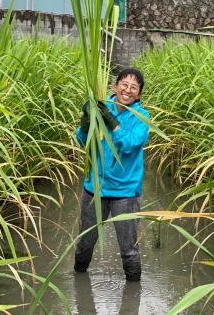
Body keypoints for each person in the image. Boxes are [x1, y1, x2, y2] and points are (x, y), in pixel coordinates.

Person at [74, 68, 150, 282]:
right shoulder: (101, 108)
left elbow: (128, 145)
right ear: (115, 87)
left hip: (125, 193)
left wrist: (111, 121)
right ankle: (79, 281)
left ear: (139, 94)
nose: (127, 90)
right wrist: (86, 121)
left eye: (133, 87)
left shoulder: (142, 117)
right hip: (94, 188)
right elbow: (82, 141)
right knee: (85, 244)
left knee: (129, 249)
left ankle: (133, 293)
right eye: (124, 85)